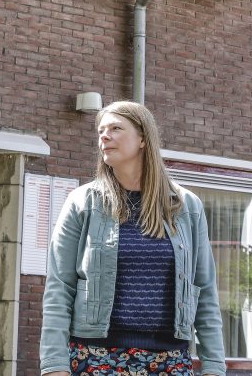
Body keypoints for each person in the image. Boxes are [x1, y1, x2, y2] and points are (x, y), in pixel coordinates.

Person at [40, 101, 227, 376]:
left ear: (142, 139)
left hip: (170, 361)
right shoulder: (83, 202)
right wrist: (54, 366)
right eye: (101, 130)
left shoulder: (186, 206)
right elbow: (59, 287)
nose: (104, 136)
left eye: (115, 128)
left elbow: (205, 290)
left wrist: (214, 367)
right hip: (94, 359)